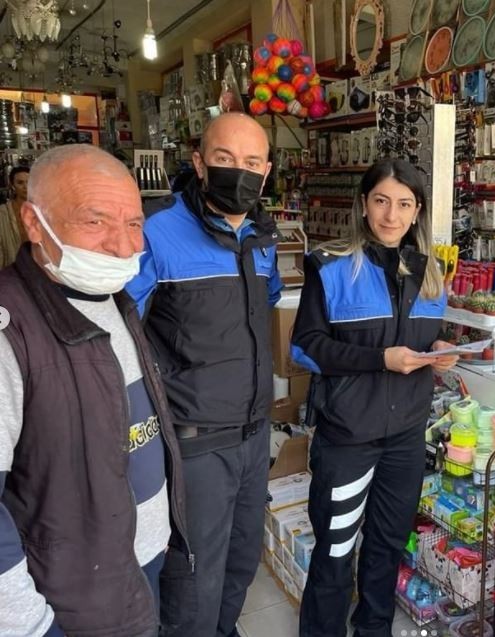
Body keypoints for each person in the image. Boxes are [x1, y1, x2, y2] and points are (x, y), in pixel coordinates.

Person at [0, 145, 189, 635]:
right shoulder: (9, 331)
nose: (124, 247)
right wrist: (32, 625)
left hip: (134, 567)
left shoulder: (114, 299)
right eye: (96, 221)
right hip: (69, 599)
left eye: (133, 224)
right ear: (34, 222)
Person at [126, 112, 283, 637]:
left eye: (251, 162)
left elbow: (266, 308)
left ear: (266, 172)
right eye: (224, 159)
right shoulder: (157, 231)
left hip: (254, 435)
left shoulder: (264, 236)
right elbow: (121, 330)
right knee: (193, 578)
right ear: (198, 162)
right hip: (194, 444)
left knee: (241, 562)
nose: (238, 172)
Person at [291, 158, 459, 637]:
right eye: (382, 201)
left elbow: (427, 337)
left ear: (417, 210)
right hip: (348, 436)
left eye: (404, 204)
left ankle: (374, 630)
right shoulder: (332, 266)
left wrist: (440, 349)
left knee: (387, 546)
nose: (392, 215)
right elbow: (306, 346)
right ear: (364, 205)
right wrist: (380, 359)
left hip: (405, 436)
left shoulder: (429, 273)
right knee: (336, 549)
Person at [0, 165, 30, 268]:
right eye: (20, 183)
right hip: (11, 268)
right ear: (12, 185)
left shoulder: (42, 209)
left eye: (28, 182)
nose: (25, 186)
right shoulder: (3, 213)